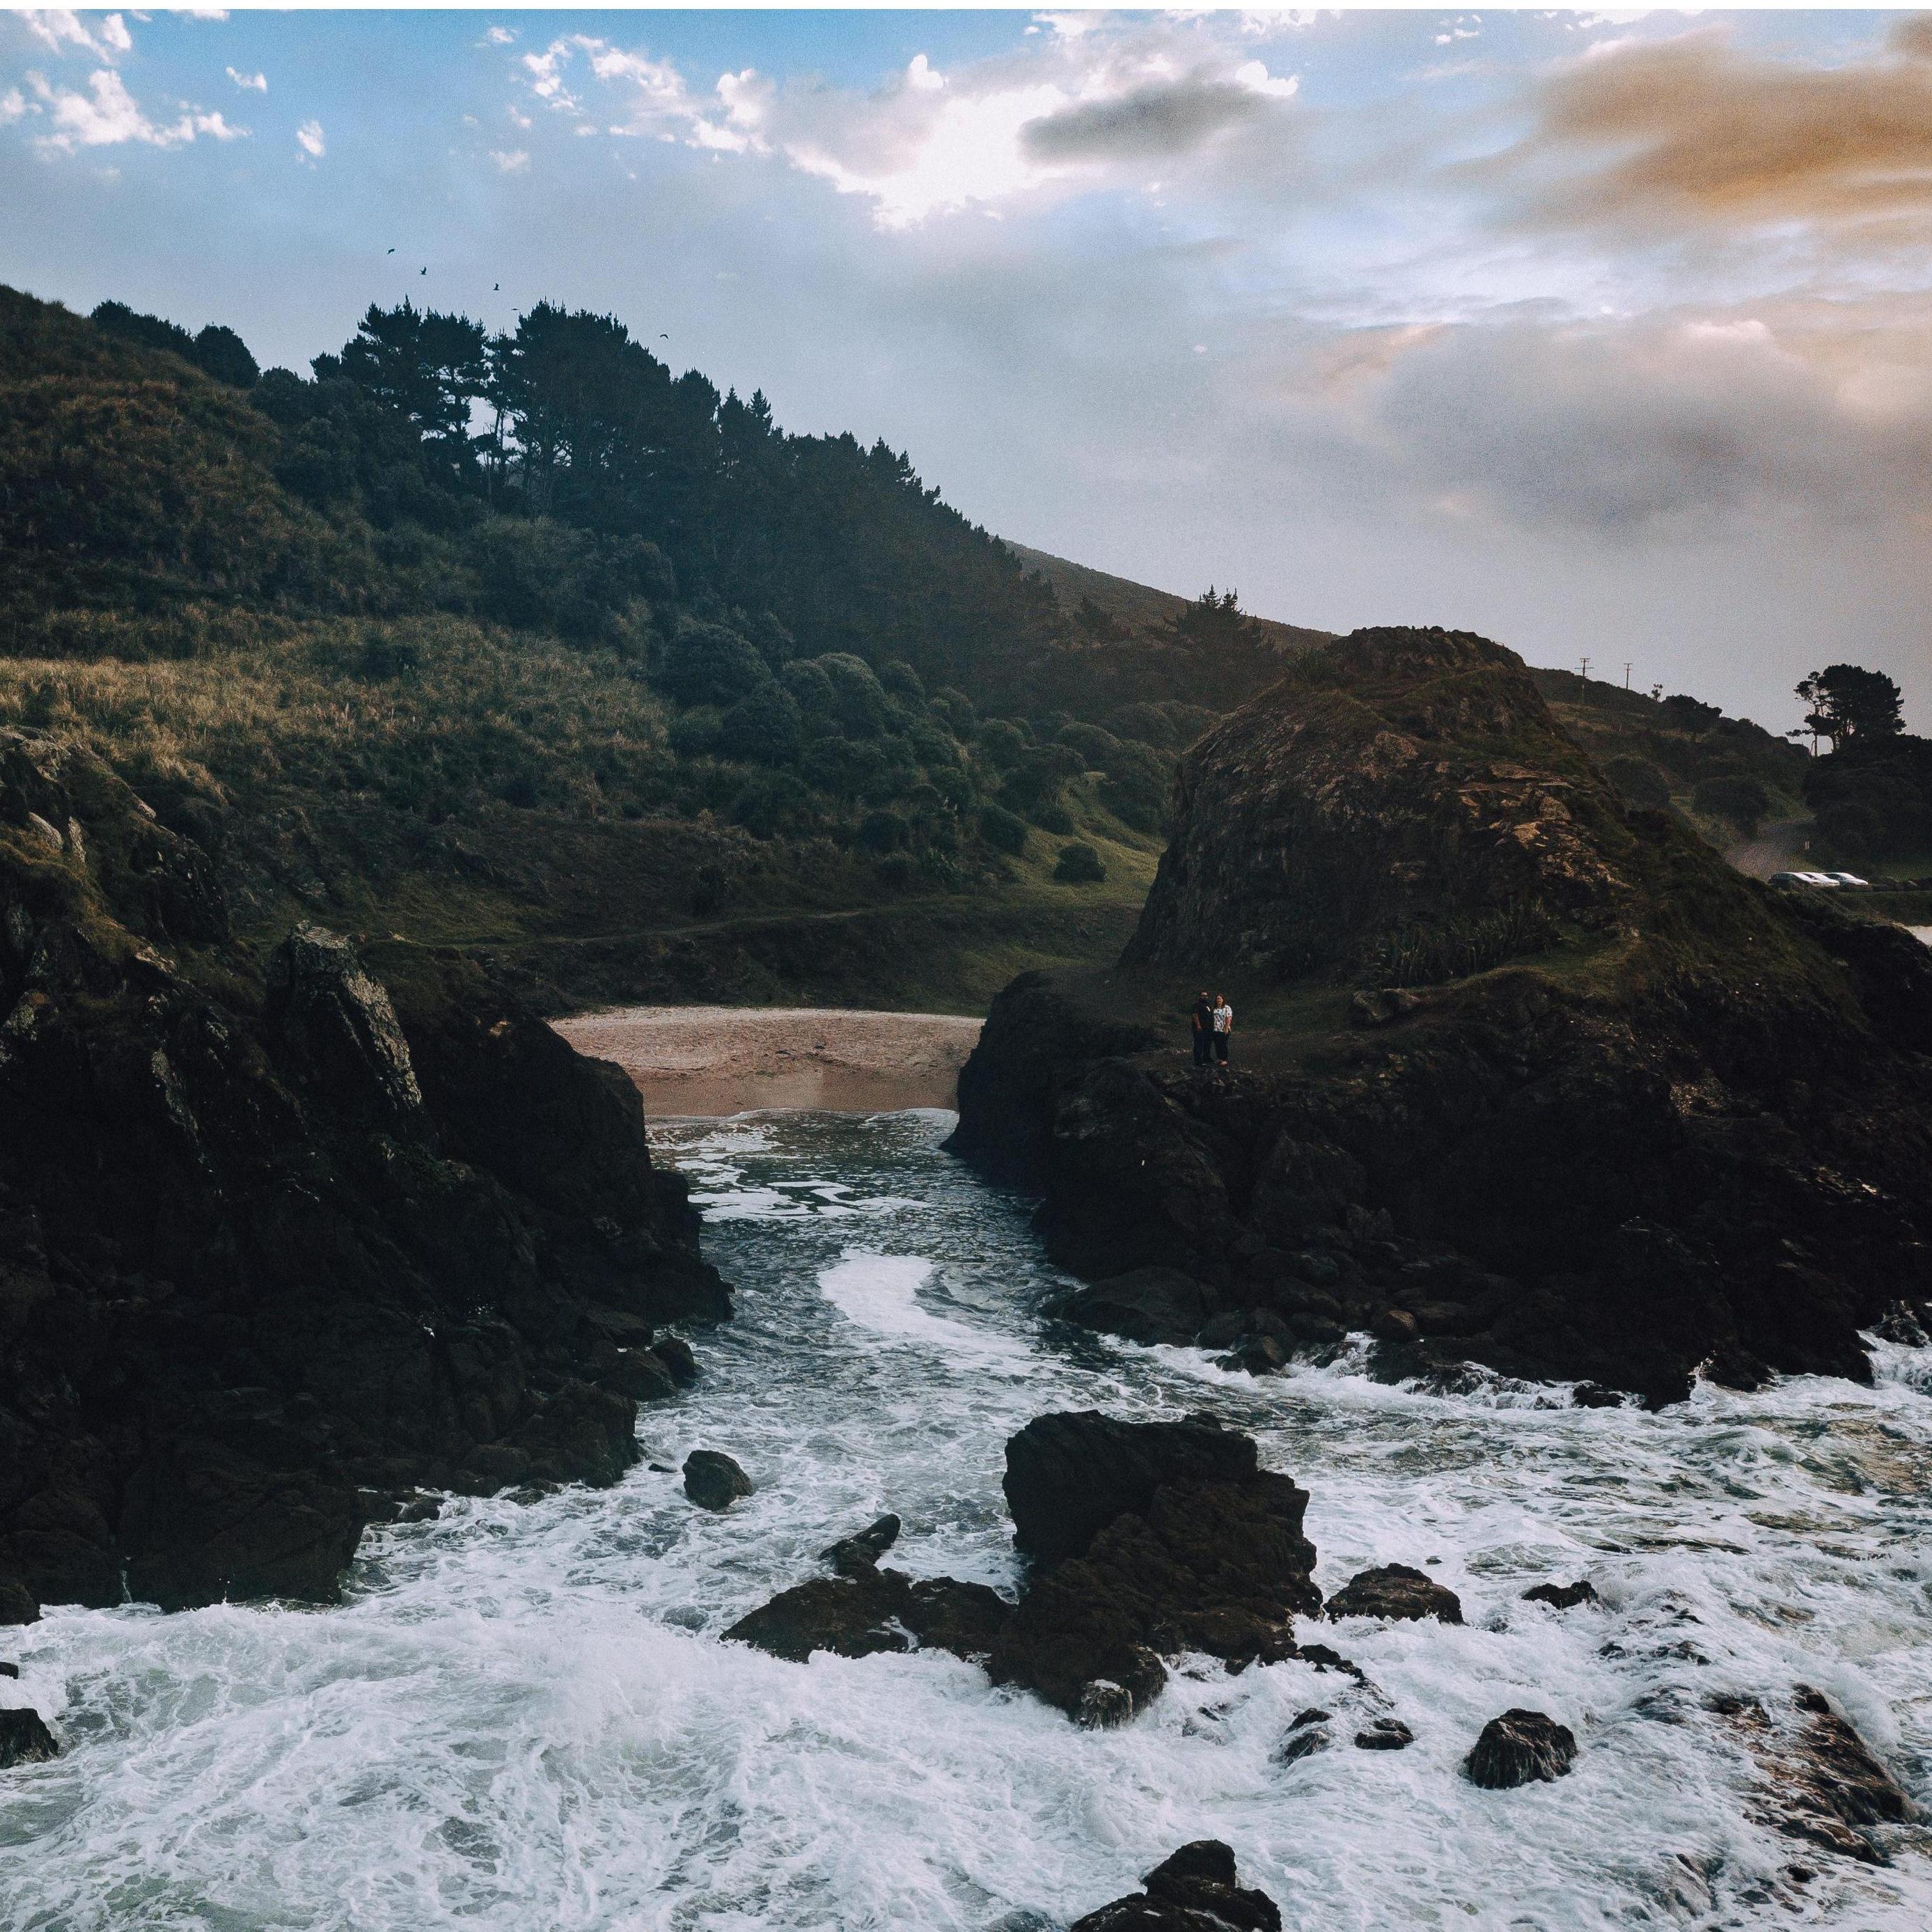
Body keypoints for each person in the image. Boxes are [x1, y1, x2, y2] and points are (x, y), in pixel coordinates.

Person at [1191, 991, 1214, 1067]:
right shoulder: (1197, 1004)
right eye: (1203, 996)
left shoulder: (1208, 1004)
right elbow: (1195, 1015)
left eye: (1206, 996)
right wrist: (1198, 1025)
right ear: (1200, 996)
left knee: (1208, 1043)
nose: (1205, 997)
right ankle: (1198, 1061)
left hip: (1208, 1028)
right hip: (1199, 1028)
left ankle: (1206, 1058)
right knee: (1199, 1044)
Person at [1212, 992, 1233, 1067]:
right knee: (1217, 1044)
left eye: (1220, 999)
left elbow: (1229, 1018)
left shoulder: (1227, 1008)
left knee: (1223, 1044)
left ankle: (1224, 1060)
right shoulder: (1215, 1008)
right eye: (1217, 999)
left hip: (1224, 1029)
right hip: (1215, 1029)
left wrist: (1226, 1028)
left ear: (1223, 1000)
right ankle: (1220, 1058)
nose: (1219, 1000)